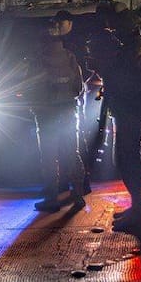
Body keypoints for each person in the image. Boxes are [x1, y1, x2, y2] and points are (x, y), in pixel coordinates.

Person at [91, 13, 141, 231]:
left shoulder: (139, 53)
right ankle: (137, 208)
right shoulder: (132, 51)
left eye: (118, 31)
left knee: (127, 157)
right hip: (127, 108)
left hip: (131, 109)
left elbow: (140, 82)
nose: (115, 35)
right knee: (126, 157)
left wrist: (111, 76)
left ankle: (139, 210)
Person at [29, 14, 89, 212]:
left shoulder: (37, 60)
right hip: (68, 111)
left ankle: (52, 198)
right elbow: (79, 87)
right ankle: (78, 195)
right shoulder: (70, 58)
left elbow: (31, 88)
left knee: (48, 156)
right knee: (72, 153)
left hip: (46, 114)